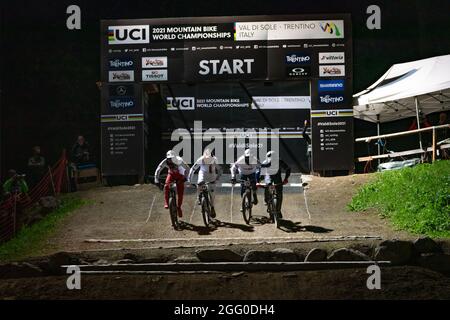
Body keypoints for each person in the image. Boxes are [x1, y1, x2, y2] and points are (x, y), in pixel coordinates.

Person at [154, 150, 190, 217]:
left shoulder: (180, 160)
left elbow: (187, 168)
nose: (171, 160)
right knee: (166, 186)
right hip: (171, 174)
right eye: (169, 158)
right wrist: (156, 179)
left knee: (180, 192)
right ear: (167, 158)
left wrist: (186, 178)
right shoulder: (165, 162)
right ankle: (166, 202)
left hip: (180, 175)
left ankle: (179, 207)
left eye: (172, 158)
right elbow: (158, 169)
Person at [188, 149, 223, 218]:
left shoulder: (215, 159)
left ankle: (212, 207)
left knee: (212, 194)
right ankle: (199, 197)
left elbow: (219, 169)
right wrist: (189, 179)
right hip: (203, 173)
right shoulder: (200, 159)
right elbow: (193, 169)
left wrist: (217, 178)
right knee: (199, 183)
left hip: (211, 175)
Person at [260, 150, 291, 220]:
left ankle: (278, 210)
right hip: (269, 176)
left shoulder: (280, 161)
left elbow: (288, 169)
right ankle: (266, 199)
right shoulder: (265, 162)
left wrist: (286, 178)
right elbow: (261, 173)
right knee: (268, 185)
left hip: (277, 176)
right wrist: (259, 179)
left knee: (279, 193)